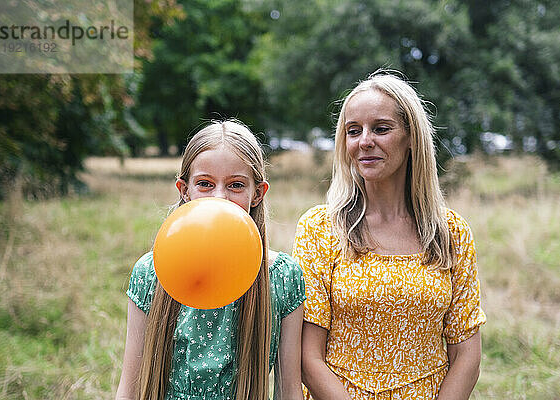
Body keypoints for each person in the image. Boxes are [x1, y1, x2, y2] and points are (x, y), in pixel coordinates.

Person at [293, 72, 486, 399]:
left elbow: (466, 353)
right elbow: (308, 357)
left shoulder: (450, 232)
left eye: (381, 129)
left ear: (411, 137)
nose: (364, 141)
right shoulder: (320, 228)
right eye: (354, 131)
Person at [116, 120, 306, 400]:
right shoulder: (151, 273)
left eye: (235, 185)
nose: (219, 197)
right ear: (184, 190)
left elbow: (289, 390)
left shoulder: (282, 278)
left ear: (257, 193)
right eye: (204, 184)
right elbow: (129, 389)